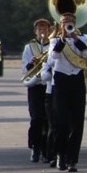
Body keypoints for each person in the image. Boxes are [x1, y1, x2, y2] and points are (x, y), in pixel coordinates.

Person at [48, 13, 87, 172]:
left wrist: (75, 39)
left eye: (70, 23)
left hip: (77, 80)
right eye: (64, 23)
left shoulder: (82, 39)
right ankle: (61, 155)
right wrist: (62, 39)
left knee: (77, 122)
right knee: (61, 122)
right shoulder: (54, 41)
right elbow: (53, 56)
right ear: (60, 25)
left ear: (75, 24)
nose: (67, 25)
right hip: (60, 81)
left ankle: (73, 159)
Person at [22, 19, 53, 163]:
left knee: (48, 119)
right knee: (36, 119)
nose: (42, 31)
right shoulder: (29, 47)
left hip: (49, 86)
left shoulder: (53, 45)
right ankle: (34, 146)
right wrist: (31, 64)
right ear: (35, 31)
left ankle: (47, 150)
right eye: (39, 28)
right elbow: (24, 69)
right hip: (35, 86)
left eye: (45, 28)